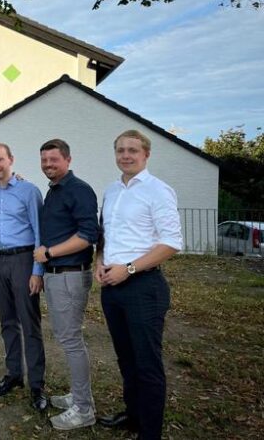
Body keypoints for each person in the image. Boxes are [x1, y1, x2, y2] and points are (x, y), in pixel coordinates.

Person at [95, 130, 182, 440]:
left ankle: (150, 432)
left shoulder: (159, 191)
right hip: (112, 287)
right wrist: (100, 261)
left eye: (132, 150)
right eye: (120, 150)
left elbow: (171, 243)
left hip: (144, 287)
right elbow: (106, 234)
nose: (126, 155)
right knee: (126, 358)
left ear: (146, 155)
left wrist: (128, 269)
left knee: (147, 363)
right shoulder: (112, 190)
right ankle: (133, 416)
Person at [33, 139, 99, 430]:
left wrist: (48, 253)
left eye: (54, 160)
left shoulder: (79, 190)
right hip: (58, 275)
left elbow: (87, 235)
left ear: (68, 160)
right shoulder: (55, 190)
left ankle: (84, 409)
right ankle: (79, 396)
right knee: (68, 338)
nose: (48, 164)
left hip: (70, 274)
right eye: (44, 160)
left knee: (71, 341)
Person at [0, 143, 47, 411]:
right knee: (7, 321)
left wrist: (37, 272)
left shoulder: (29, 191)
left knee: (29, 322)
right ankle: (13, 374)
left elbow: (40, 232)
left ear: (11, 159)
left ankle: (36, 385)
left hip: (23, 260)